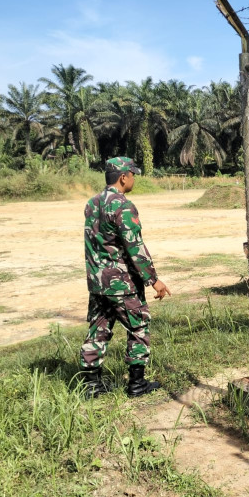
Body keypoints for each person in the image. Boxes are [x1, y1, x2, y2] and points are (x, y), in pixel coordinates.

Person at [78, 156, 171, 398]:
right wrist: (153, 279)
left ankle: (91, 386)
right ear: (123, 177)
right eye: (132, 174)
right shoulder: (122, 206)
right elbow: (134, 246)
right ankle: (137, 385)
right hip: (122, 283)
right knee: (139, 326)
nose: (134, 178)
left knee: (98, 329)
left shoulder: (92, 203)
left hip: (98, 283)